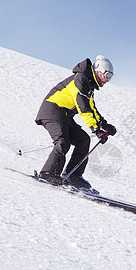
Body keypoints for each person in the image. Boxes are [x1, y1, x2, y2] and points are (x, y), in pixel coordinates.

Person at [35, 55, 117, 189]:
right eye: (107, 76)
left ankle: (74, 176)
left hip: (64, 115)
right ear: (98, 71)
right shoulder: (80, 80)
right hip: (52, 110)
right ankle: (48, 173)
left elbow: (92, 108)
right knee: (63, 141)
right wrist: (96, 130)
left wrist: (104, 125)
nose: (108, 80)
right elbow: (84, 108)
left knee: (83, 139)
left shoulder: (88, 85)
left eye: (111, 77)